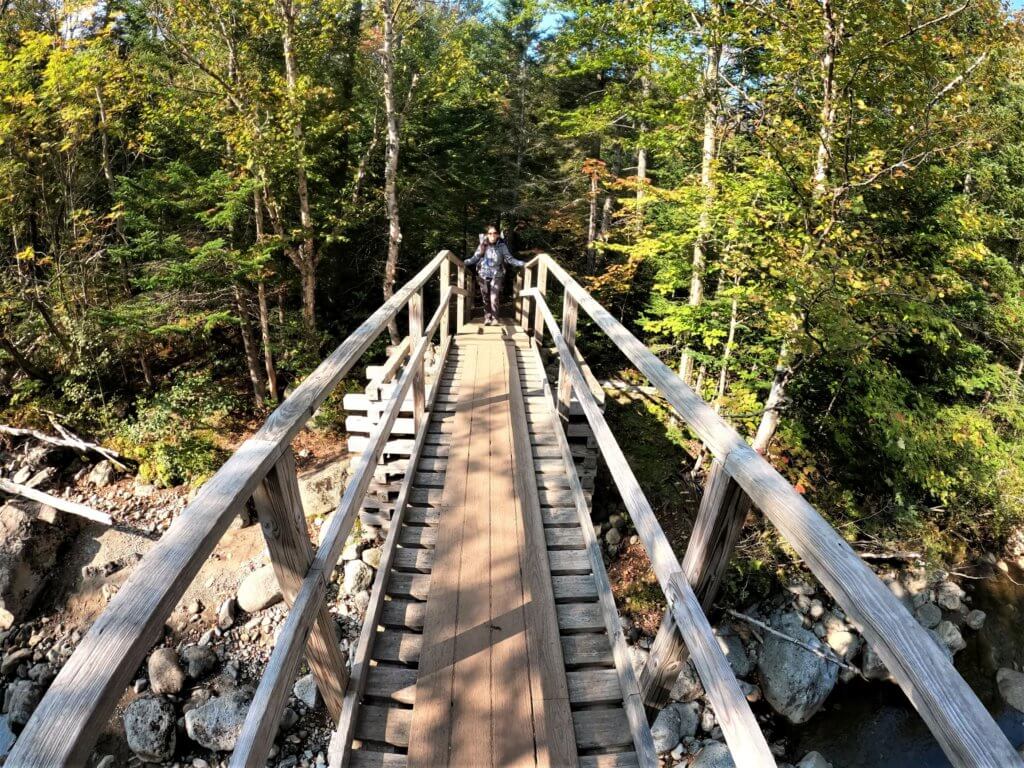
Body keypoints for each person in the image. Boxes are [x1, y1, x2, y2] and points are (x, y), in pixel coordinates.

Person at [464, 225, 525, 325]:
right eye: (490, 233)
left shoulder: (502, 246)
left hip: (497, 274)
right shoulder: (482, 245)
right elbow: (474, 258)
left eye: (495, 233)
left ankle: (495, 318)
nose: (492, 235)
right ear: (487, 235)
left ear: (497, 235)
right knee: (486, 298)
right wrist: (463, 262)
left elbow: (510, 259)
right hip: (483, 274)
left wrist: (522, 263)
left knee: (494, 297)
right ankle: (487, 317)